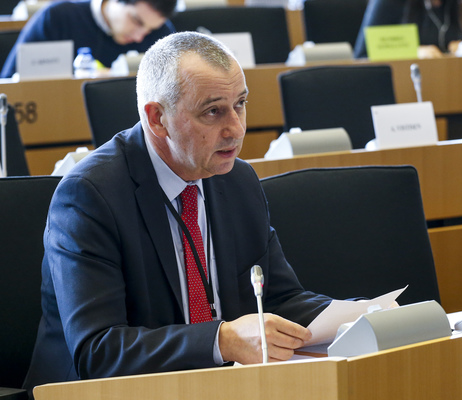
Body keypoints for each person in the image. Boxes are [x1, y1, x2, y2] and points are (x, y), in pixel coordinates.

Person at [22, 31, 333, 397]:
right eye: (213, 111)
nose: (236, 128)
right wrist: (221, 340)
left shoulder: (237, 180)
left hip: (218, 387)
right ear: (157, 118)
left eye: (240, 104)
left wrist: (361, 316)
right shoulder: (90, 195)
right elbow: (98, 352)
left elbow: (279, 300)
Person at [0, 0, 177, 79]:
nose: (139, 36)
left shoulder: (162, 33)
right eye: (136, 21)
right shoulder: (57, 18)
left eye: (150, 29)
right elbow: (9, 85)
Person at [353, 0, 462, 59]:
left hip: (442, 79)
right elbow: (362, 56)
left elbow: (455, 38)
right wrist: (413, 53)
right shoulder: (389, 3)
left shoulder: (451, 4)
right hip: (402, 83)